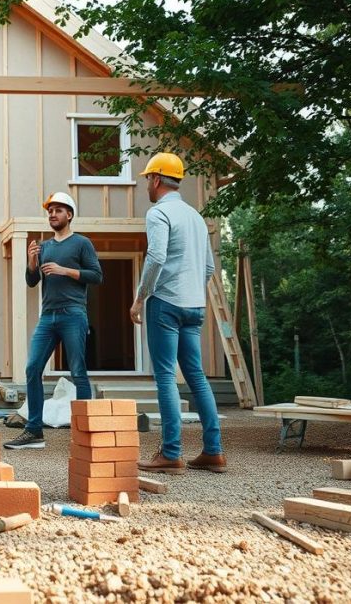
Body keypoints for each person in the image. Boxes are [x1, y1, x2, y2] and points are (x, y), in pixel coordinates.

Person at [129, 153, 226, 474]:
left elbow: (156, 256)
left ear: (156, 179)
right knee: (197, 377)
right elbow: (210, 267)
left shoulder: (158, 213)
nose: (146, 184)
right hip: (194, 306)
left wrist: (140, 297)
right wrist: (190, 290)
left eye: (147, 179)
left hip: (165, 305)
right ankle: (214, 451)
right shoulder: (196, 217)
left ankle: (171, 453)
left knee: (166, 377)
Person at [4, 192, 103, 450]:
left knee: (78, 371)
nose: (52, 214)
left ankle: (85, 434)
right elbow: (31, 281)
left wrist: (64, 270)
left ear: (69, 215)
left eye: (58, 210)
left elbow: (96, 276)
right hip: (48, 316)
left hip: (73, 313)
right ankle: (34, 431)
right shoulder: (45, 246)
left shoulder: (82, 243)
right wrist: (32, 261)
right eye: (50, 211)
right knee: (32, 368)